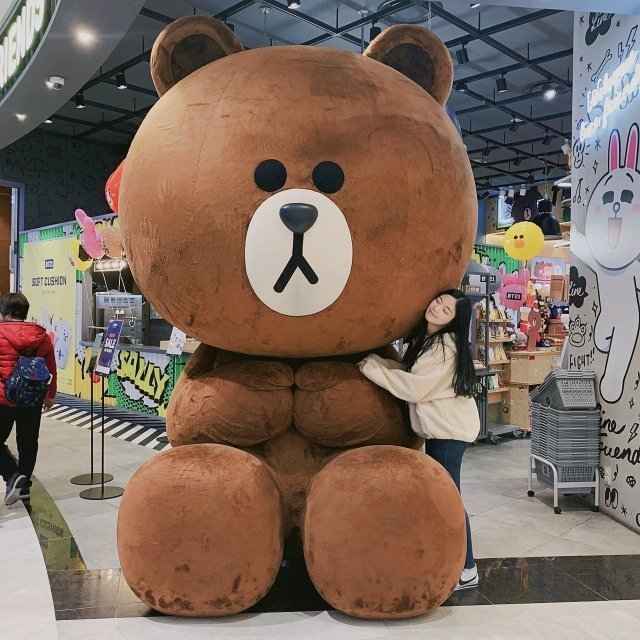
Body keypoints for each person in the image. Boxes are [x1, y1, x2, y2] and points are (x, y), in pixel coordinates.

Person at [358, 289, 480, 590]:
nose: (437, 308)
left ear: (453, 321)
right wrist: (381, 363)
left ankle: (467, 568)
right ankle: (452, 560)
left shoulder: (445, 348)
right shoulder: (430, 341)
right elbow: (410, 371)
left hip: (449, 434)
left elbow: (415, 387)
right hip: (443, 431)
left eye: (446, 310)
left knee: (448, 500)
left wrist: (372, 369)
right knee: (443, 497)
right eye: (439, 301)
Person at [0, 293, 57, 506]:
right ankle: (23, 488)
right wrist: (50, 395)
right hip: (33, 398)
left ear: (6, 313)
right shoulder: (42, 336)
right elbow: (51, 368)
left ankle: (13, 476)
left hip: (4, 398)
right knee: (28, 443)